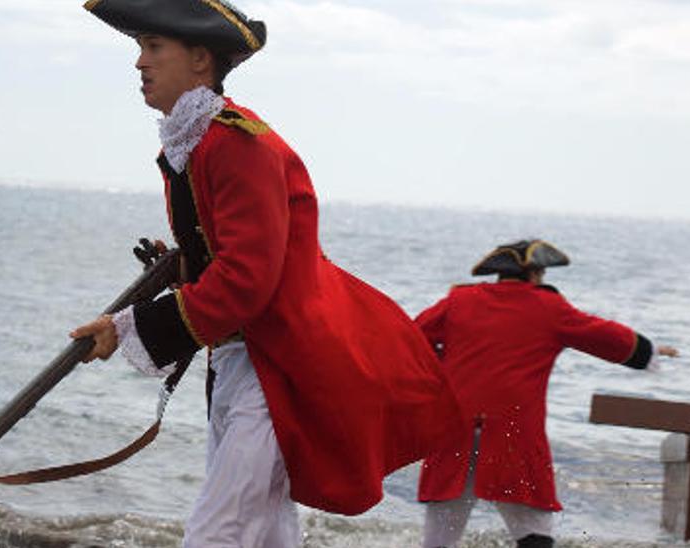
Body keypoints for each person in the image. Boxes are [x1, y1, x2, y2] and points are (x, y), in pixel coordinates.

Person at [69, 1, 464, 546]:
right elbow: (225, 257)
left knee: (221, 531)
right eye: (141, 48)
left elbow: (247, 278)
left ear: (201, 59)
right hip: (246, 358)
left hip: (284, 362)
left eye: (154, 48)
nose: (140, 63)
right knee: (265, 529)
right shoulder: (193, 144)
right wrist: (184, 267)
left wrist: (127, 328)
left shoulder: (236, 142)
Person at [413, 239, 680, 548]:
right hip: (512, 436)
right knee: (534, 532)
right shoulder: (547, 306)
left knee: (439, 540)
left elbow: (412, 337)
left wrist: (440, 365)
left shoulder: (460, 300)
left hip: (453, 430)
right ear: (535, 274)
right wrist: (648, 351)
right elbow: (598, 334)